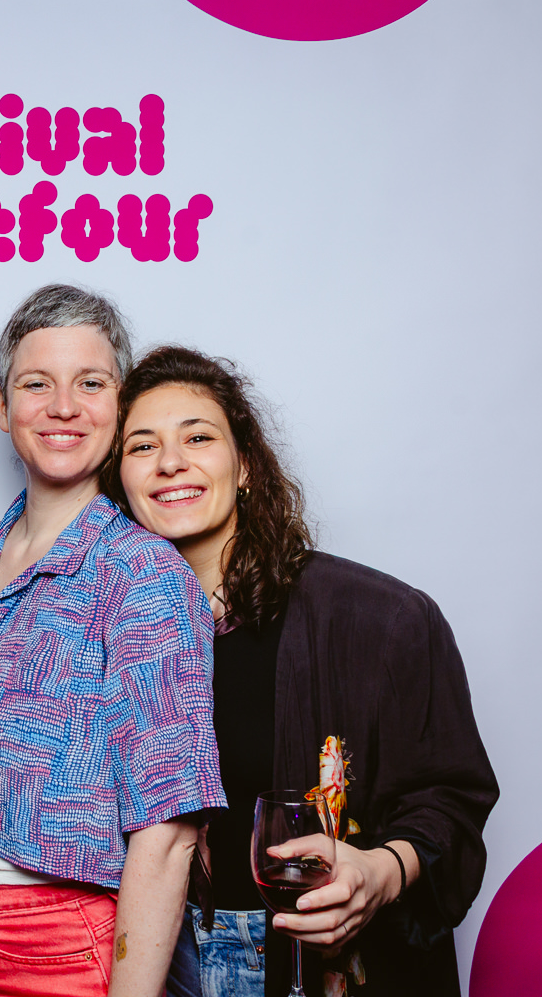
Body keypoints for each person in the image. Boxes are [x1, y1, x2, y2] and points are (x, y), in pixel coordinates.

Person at [108, 346, 500, 997]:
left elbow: (450, 802)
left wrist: (381, 871)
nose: (170, 461)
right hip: (154, 957)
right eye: (142, 446)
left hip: (311, 963)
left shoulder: (383, 620)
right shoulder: (100, 633)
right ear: (120, 481)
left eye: (198, 437)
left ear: (245, 465)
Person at [0, 285, 228, 997]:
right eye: (36, 384)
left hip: (51, 948)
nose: (63, 407)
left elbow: (169, 833)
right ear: (1, 406)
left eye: (91, 383)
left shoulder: (142, 574)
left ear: (120, 403)